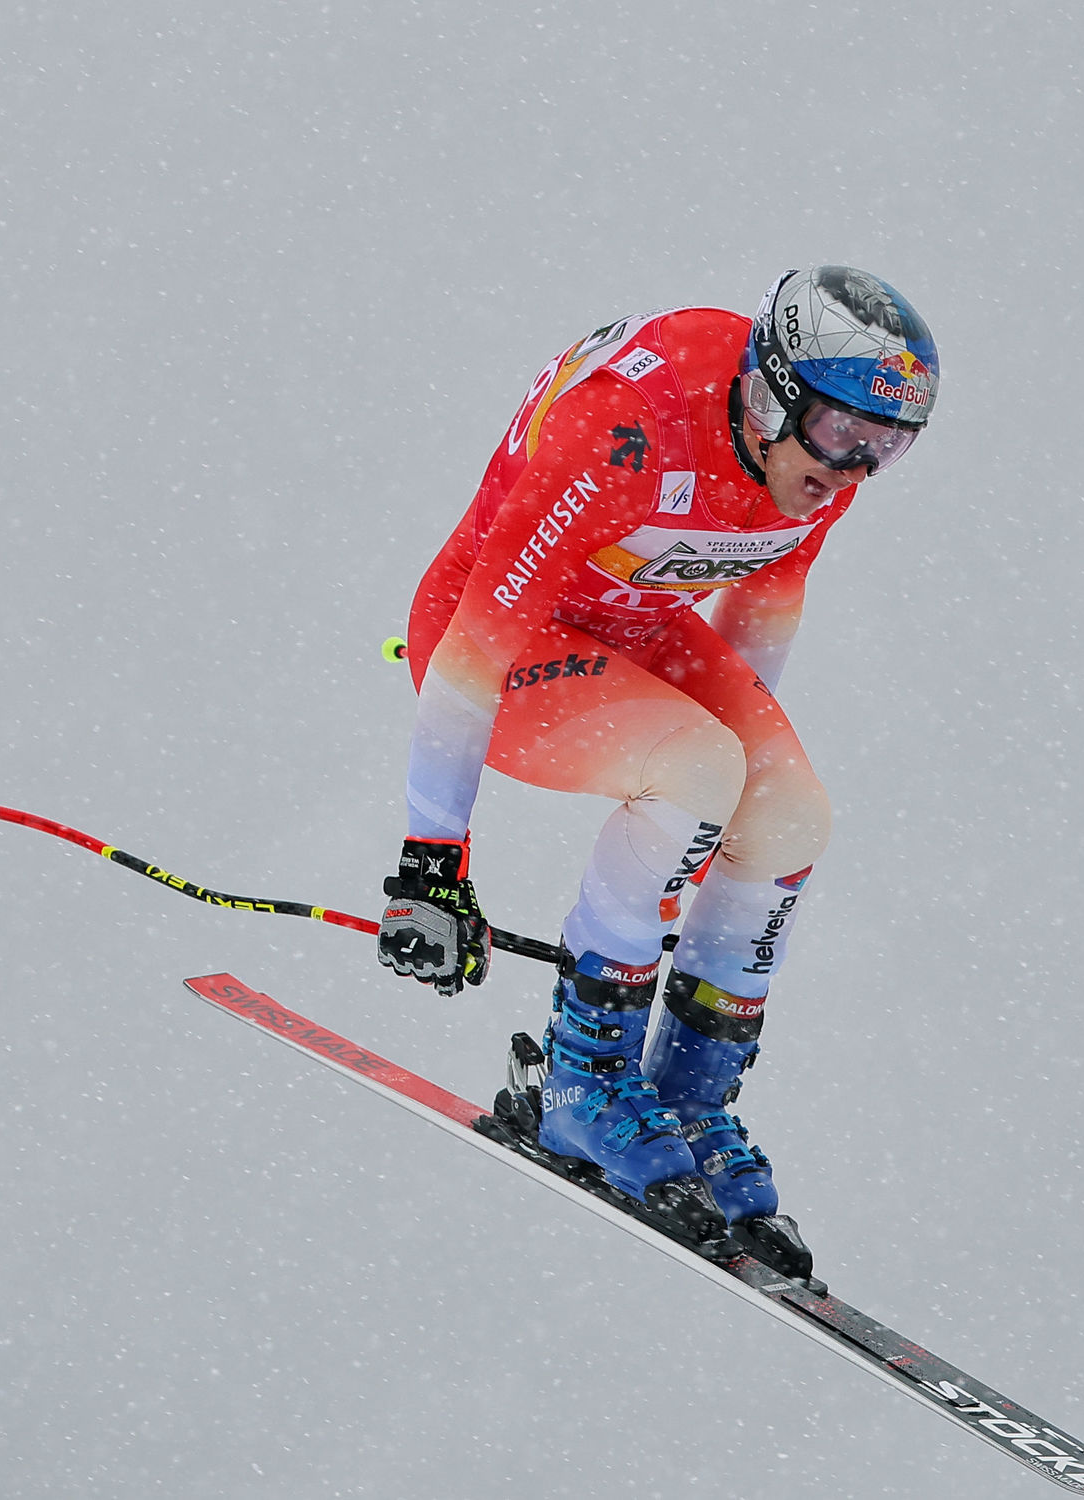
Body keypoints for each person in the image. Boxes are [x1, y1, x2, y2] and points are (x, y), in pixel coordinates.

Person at [374, 267, 939, 1276]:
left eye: (886, 448)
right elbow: (474, 645)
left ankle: (685, 1097)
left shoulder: (810, 466)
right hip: (494, 643)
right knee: (693, 768)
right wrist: (431, 866)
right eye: (843, 434)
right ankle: (580, 1083)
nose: (853, 469)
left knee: (789, 815)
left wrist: (725, 825)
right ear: (773, 394)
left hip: (636, 629)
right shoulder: (627, 425)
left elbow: (758, 616)